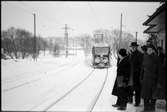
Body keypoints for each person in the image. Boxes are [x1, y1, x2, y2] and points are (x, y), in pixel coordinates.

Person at [140, 45, 160, 111]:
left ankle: (152, 108)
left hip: (153, 80)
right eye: (148, 49)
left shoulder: (156, 58)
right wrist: (141, 78)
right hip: (145, 79)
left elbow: (159, 70)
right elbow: (142, 69)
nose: (149, 51)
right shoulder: (144, 57)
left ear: (153, 50)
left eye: (150, 49)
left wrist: (159, 81)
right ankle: (146, 108)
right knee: (145, 95)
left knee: (153, 96)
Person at [129, 42, 143, 106]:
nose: (133, 48)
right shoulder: (131, 54)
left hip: (137, 75)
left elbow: (141, 65)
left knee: (137, 89)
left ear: (136, 47)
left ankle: (137, 102)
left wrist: (136, 71)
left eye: (134, 47)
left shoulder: (139, 54)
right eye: (132, 47)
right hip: (131, 74)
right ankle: (130, 100)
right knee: (131, 88)